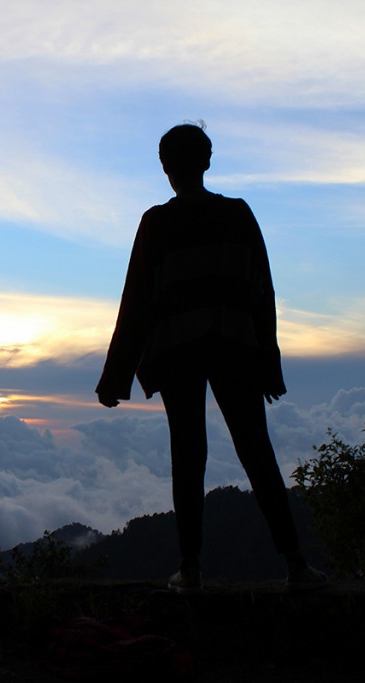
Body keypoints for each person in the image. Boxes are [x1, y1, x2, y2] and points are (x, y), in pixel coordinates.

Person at [96, 123, 327, 593]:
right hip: (235, 347)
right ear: (206, 161)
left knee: (188, 453)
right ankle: (296, 565)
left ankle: (192, 570)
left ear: (166, 168)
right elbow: (264, 294)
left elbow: (135, 303)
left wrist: (115, 377)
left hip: (177, 350)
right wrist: (269, 364)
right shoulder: (238, 215)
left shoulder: (156, 223)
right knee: (256, 451)